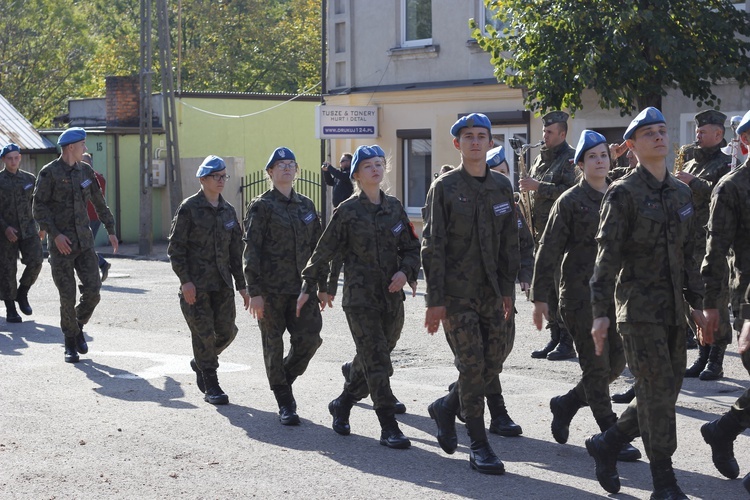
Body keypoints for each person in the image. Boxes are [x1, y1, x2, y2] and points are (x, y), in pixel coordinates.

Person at [586, 108, 706, 498]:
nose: (658, 137)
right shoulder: (623, 193)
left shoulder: (681, 192)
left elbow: (690, 254)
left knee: (663, 392)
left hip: (674, 311)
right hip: (637, 310)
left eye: (662, 131)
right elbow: (606, 258)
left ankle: (608, 441)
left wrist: (697, 304)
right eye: (648, 133)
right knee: (657, 394)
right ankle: (664, 482)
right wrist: (600, 313)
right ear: (633, 145)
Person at [297, 144, 420, 449]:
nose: (375, 169)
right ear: (356, 175)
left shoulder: (394, 206)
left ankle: (344, 402)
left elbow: (411, 247)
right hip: (360, 298)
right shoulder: (347, 211)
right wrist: (309, 287)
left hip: (391, 297)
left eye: (379, 164)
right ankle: (388, 426)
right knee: (377, 360)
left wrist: (406, 272)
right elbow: (323, 252)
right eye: (368, 166)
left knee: (377, 355)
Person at [529, 130, 640, 462]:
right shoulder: (570, 201)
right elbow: (547, 250)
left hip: (615, 297)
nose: (599, 160)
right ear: (580, 163)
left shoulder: (618, 195)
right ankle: (610, 432)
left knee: (615, 364)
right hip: (579, 296)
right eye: (592, 156)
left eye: (604, 155)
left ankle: (566, 404)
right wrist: (540, 297)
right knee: (595, 366)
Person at [422, 113, 519, 475]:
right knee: (473, 365)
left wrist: (508, 288)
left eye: (482, 136)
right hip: (457, 295)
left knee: (494, 363)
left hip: (493, 292)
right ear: (457, 144)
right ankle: (479, 445)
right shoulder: (444, 187)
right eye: (469, 136)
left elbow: (510, 241)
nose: (476, 142)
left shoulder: (501, 187)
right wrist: (436, 300)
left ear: (491, 143)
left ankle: (447, 406)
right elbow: (433, 245)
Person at [244, 147, 324, 425]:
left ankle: (283, 379)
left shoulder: (306, 205)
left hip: (302, 289)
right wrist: (254, 292)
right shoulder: (261, 205)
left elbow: (318, 248)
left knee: (310, 338)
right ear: (270, 172)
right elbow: (251, 250)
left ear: (297, 170)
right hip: (271, 290)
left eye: (291, 164)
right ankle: (284, 401)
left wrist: (322, 284)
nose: (287, 168)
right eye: (280, 165)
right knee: (273, 344)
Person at [33, 128, 119, 363]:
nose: (85, 149)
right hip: (61, 246)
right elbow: (39, 207)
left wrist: (111, 230)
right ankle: (70, 342)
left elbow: (99, 202)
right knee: (67, 296)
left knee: (93, 290)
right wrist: (56, 235)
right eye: (83, 145)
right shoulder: (49, 173)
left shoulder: (86, 171)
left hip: (84, 243)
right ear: (71, 147)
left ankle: (77, 324)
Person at [168, 155, 248, 405]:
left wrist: (243, 286)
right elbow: (176, 249)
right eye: (216, 176)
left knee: (227, 332)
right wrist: (185, 281)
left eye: (224, 176)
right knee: (203, 334)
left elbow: (236, 253)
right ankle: (211, 384)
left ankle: (201, 361)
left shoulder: (228, 211)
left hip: (222, 285)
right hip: (197, 286)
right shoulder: (189, 208)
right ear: (203, 179)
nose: (222, 180)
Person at [700, 109, 750, 495]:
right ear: (745, 141)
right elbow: (715, 251)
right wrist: (711, 308)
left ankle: (723, 429)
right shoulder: (732, 186)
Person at [675, 110, 732, 381]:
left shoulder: (726, 162)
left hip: (711, 243)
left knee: (715, 298)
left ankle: (716, 359)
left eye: (703, 131)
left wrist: (693, 183)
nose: (697, 135)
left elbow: (725, 194)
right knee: (694, 299)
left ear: (718, 134)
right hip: (687, 242)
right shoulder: (690, 162)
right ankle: (702, 352)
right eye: (696, 131)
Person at [520, 111, 578, 361]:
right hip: (540, 236)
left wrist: (538, 187)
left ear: (563, 134)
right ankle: (554, 335)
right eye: (544, 131)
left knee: (560, 288)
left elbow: (573, 192)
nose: (544, 135)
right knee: (546, 290)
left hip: (562, 238)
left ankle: (568, 340)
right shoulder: (540, 160)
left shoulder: (571, 159)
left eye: (550, 132)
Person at [0, 143, 43, 323]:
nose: (13, 161)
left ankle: (22, 292)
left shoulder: (29, 179)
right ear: (3, 160)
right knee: (8, 270)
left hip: (28, 229)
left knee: (36, 260)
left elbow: (38, 204)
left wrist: (43, 225)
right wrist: (5, 227)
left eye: (16, 158)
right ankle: (10, 308)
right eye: (9, 158)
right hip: (5, 232)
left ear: (20, 158)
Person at [82, 152, 112, 282]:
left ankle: (101, 265)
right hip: (95, 217)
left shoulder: (86, 177)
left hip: (87, 216)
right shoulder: (100, 178)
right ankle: (98, 268)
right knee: (86, 246)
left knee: (85, 247)